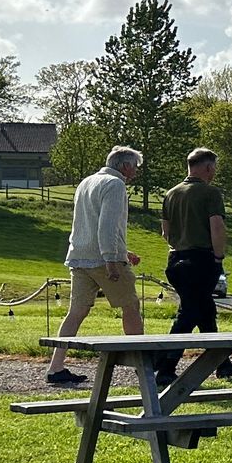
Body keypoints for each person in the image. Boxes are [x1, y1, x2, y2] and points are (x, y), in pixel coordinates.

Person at [45, 145, 146, 386]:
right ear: (124, 166)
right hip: (104, 260)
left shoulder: (86, 182)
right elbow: (107, 225)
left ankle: (55, 367)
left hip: (79, 257)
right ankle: (142, 365)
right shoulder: (115, 184)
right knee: (131, 306)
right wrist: (113, 259)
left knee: (76, 311)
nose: (136, 172)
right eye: (135, 166)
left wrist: (122, 250)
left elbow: (87, 225)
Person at [156, 147, 232, 384]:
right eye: (213, 168)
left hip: (176, 259)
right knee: (189, 314)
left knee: (205, 312)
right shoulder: (210, 193)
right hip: (201, 260)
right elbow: (217, 226)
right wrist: (218, 257)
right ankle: (163, 364)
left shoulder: (171, 194)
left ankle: (222, 364)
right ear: (207, 167)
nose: (214, 173)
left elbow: (165, 232)